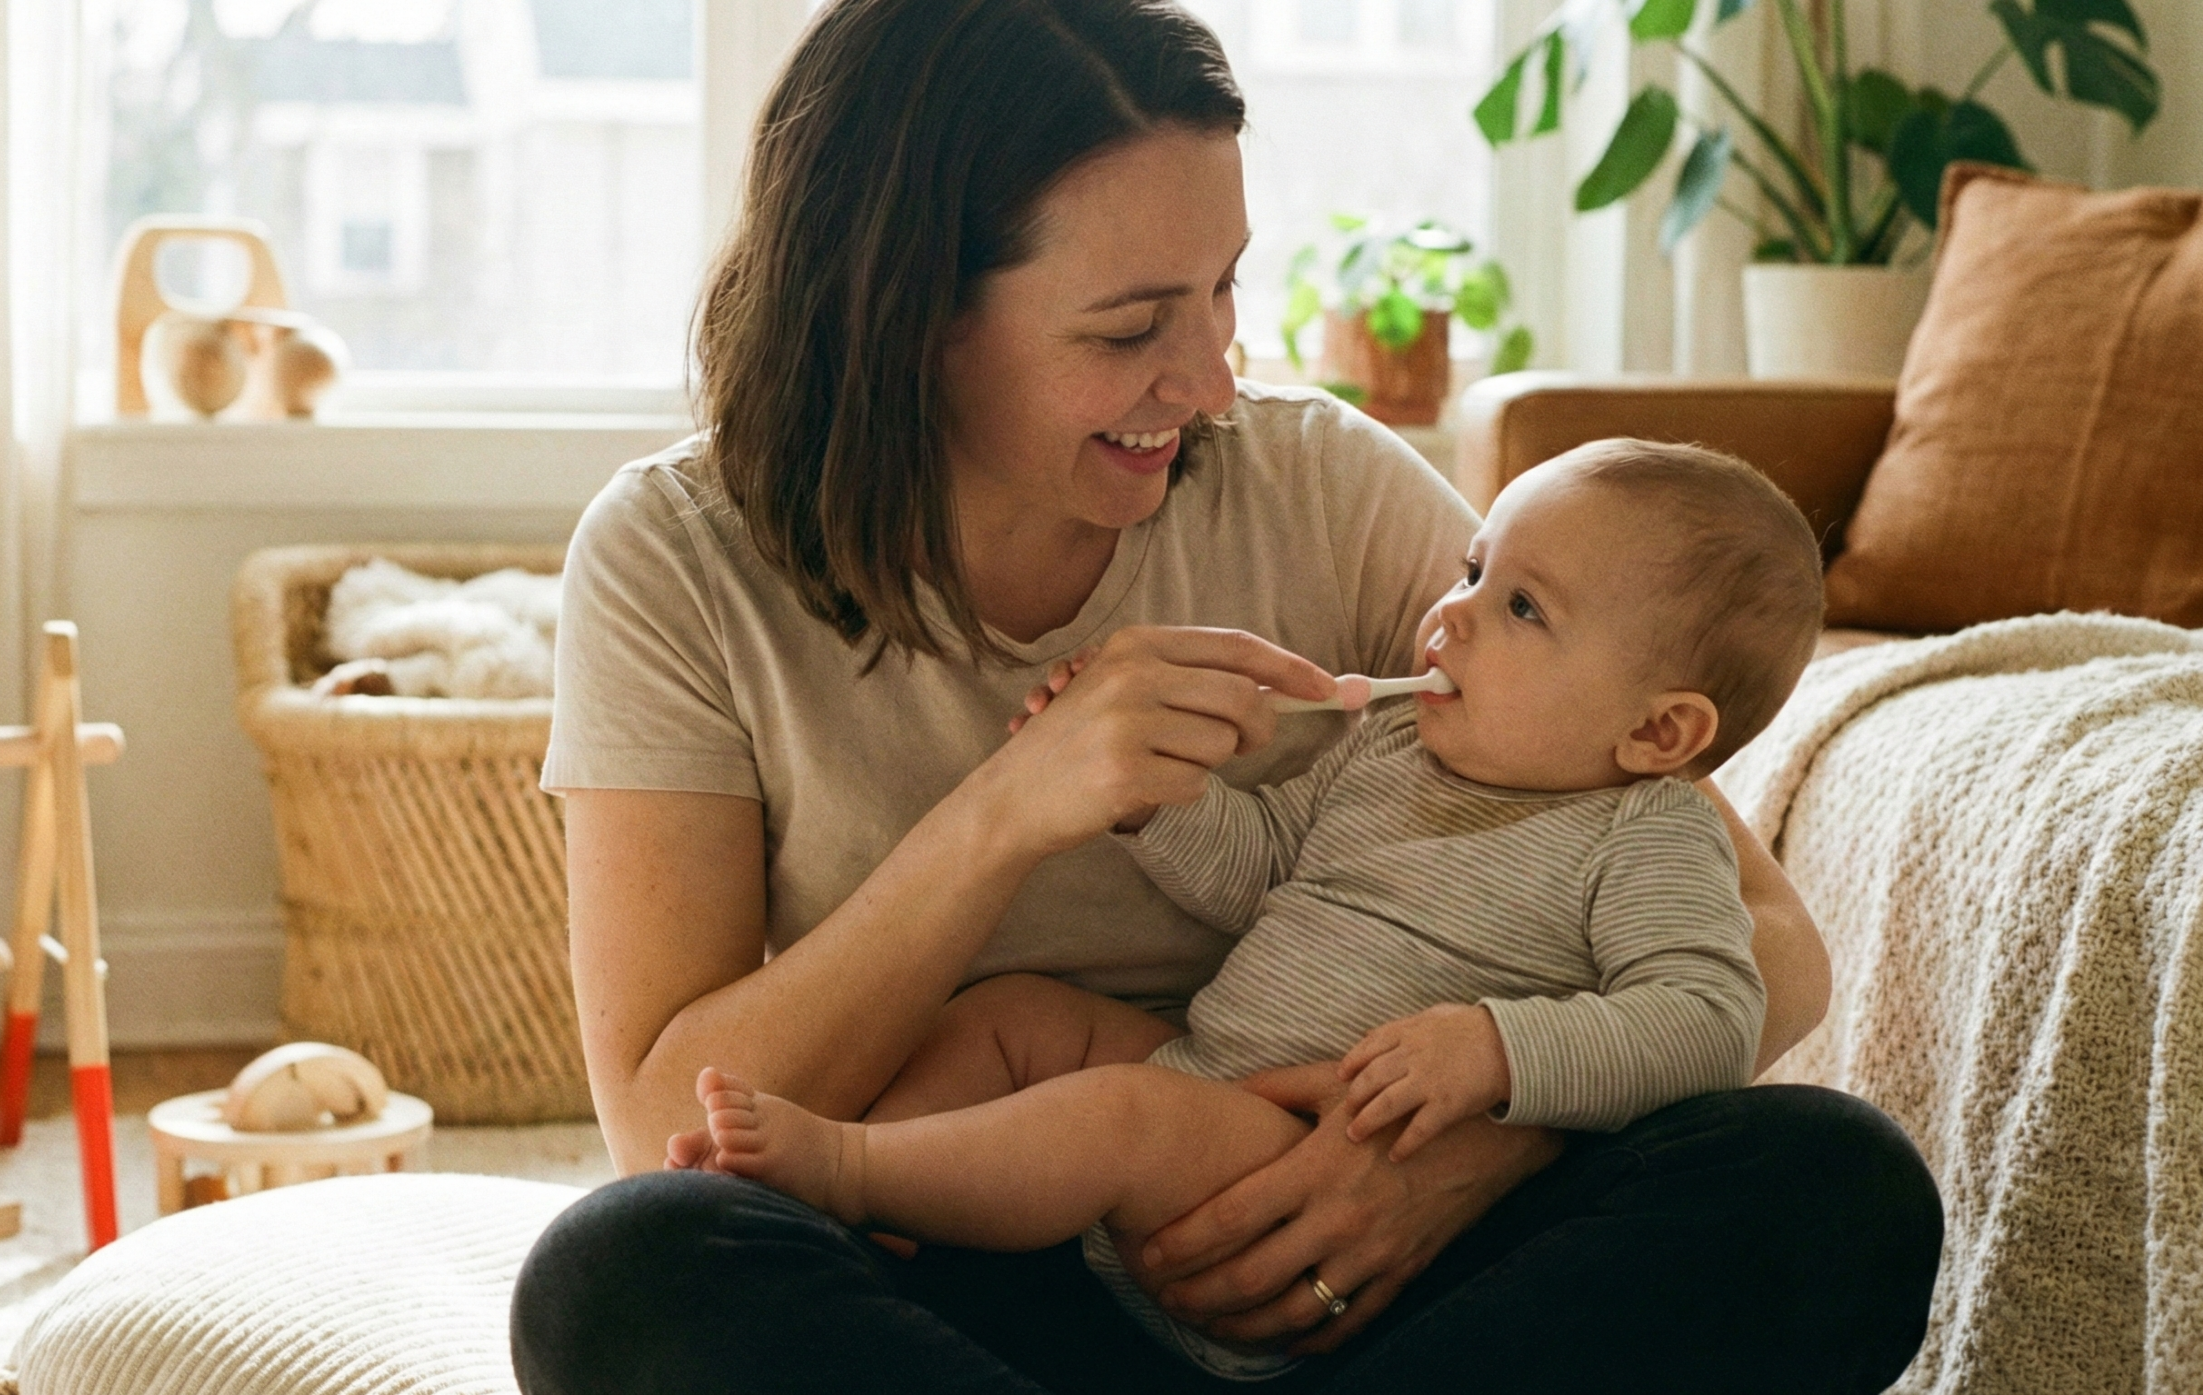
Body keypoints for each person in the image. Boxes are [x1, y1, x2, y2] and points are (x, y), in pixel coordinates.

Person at [508, 2, 1943, 1392]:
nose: (1207, 380)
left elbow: (1765, 946)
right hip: (967, 1254)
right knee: (625, 1268)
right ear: (906, 316)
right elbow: (661, 1122)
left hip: (1359, 1246)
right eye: (1130, 327)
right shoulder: (674, 560)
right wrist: (1005, 809)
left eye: (1223, 289)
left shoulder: (1320, 486)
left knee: (1831, 1184)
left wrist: (1454, 1151)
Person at [679, 439, 1814, 1381]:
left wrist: (1498, 1058)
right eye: (1469, 571)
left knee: (1825, 1176)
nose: (1449, 617)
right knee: (1015, 1017)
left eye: (1519, 607)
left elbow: (1706, 1015)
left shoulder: (1642, 834)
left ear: (1658, 734)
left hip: (1298, 1159)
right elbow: (1261, 868)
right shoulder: (1387, 753)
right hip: (1209, 1073)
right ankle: (870, 1233)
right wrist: (1150, 799)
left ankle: (849, 1172)